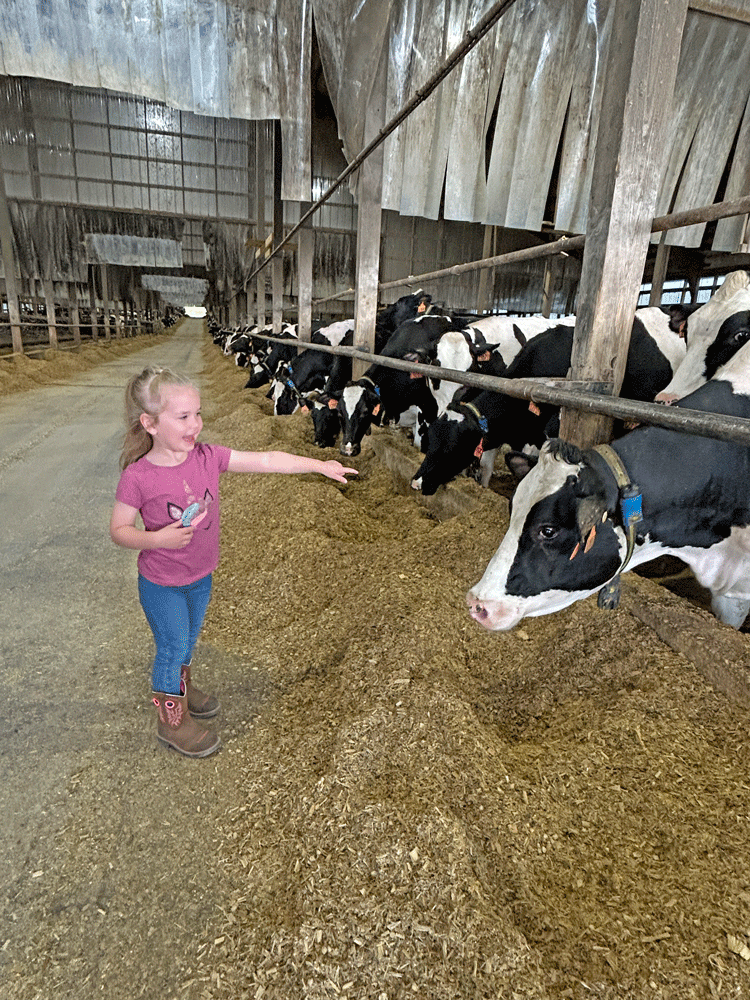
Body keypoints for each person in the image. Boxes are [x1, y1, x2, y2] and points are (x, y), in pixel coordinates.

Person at [110, 365, 357, 758]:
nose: (196, 424)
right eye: (183, 417)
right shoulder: (138, 477)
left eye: (197, 414)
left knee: (187, 642)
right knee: (172, 647)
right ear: (150, 423)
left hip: (200, 576)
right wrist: (157, 539)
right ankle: (171, 722)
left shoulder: (208, 457)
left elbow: (267, 460)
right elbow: (119, 530)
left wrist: (318, 465)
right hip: (161, 583)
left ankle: (182, 689)